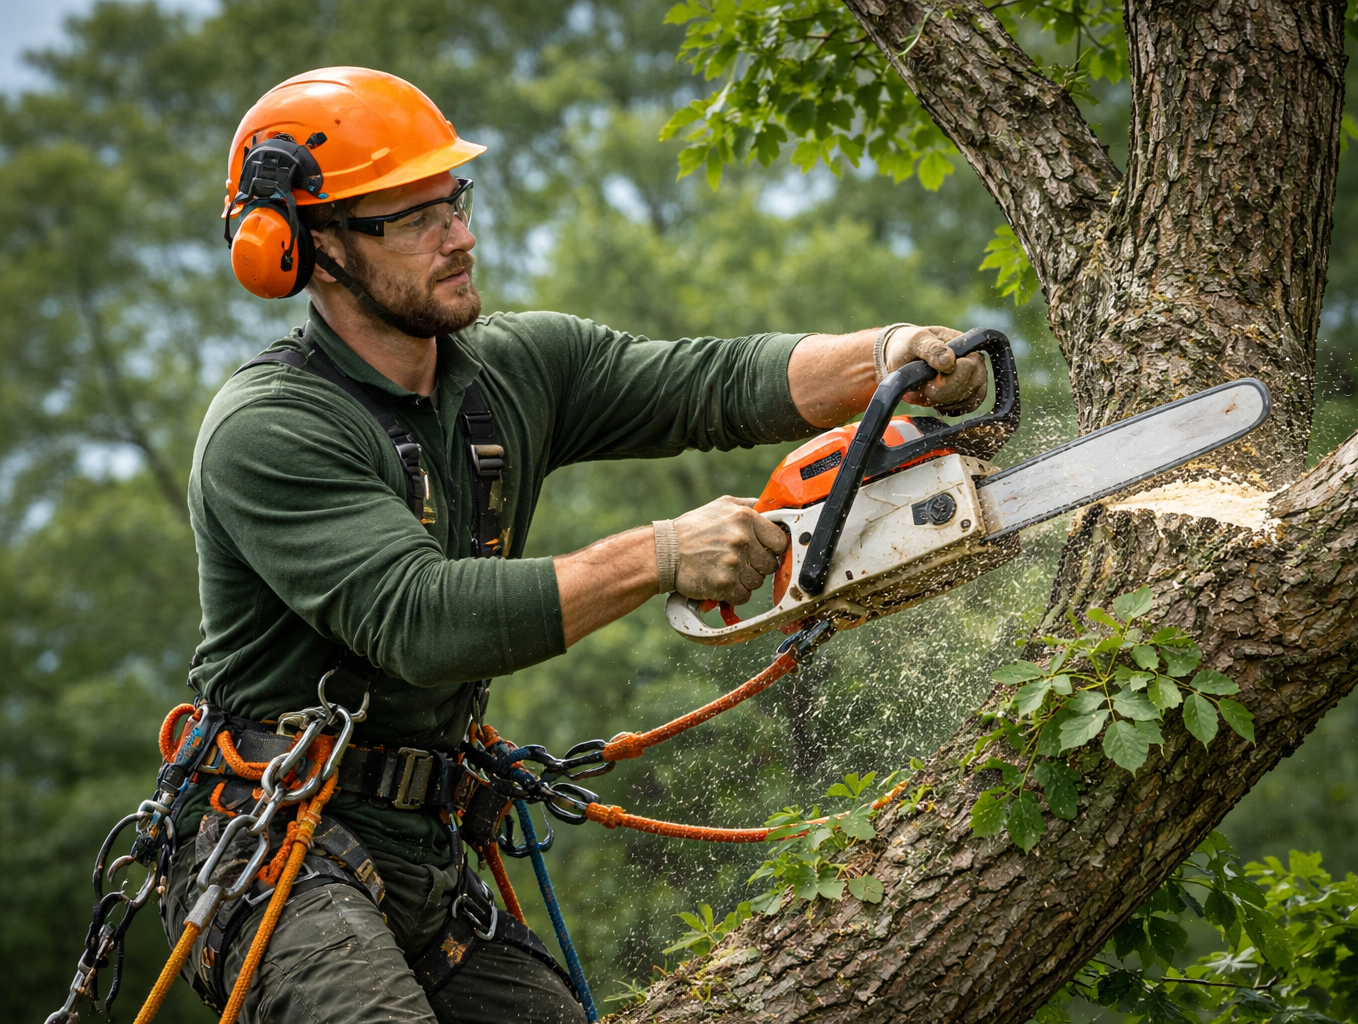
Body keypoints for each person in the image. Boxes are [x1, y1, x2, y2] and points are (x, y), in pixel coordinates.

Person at [164, 66, 987, 1024]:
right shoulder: (271, 429)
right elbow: (420, 621)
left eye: (455, 201)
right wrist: (661, 554)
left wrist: (886, 359)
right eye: (415, 217)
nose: (460, 236)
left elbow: (702, 381)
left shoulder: (515, 369)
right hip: (278, 856)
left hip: (426, 852)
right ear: (308, 247)